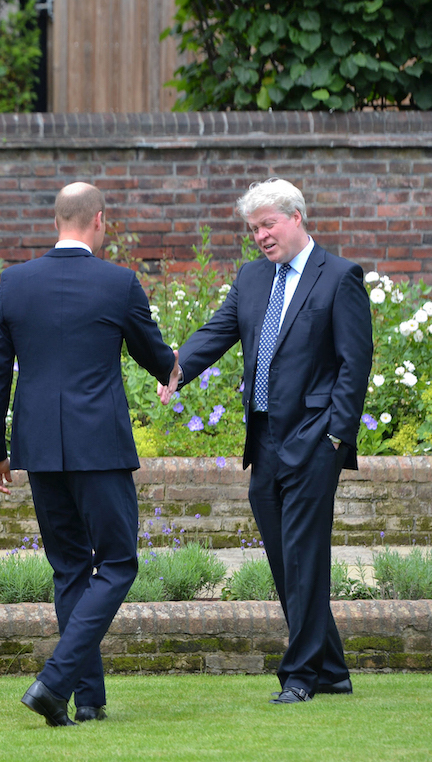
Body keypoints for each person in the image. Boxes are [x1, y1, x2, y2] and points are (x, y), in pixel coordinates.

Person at [158, 178, 372, 705]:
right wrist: (173, 368)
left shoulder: (339, 277)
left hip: (316, 438)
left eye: (268, 224)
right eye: (253, 228)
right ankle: (334, 670)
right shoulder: (253, 279)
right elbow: (217, 331)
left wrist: (338, 437)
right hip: (266, 443)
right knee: (287, 560)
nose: (260, 236)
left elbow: (355, 364)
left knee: (302, 555)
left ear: (296, 217)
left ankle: (299, 676)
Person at [0, 182, 179, 727]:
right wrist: (174, 369)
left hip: (39, 448)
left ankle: (87, 699)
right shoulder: (118, 282)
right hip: (100, 447)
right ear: (99, 221)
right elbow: (153, 353)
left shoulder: (15, 283)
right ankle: (57, 681)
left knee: (69, 568)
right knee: (117, 562)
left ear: (58, 220)